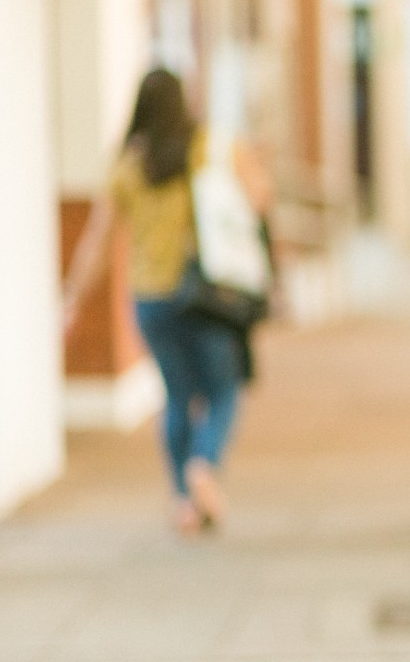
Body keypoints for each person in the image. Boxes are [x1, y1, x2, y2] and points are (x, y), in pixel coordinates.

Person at [63, 68, 271, 535]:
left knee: (177, 397)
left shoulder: (128, 165)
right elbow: (261, 197)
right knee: (223, 389)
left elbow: (98, 239)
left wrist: (73, 299)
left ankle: (184, 500)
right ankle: (204, 463)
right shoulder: (212, 147)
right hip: (208, 293)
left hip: (151, 299)